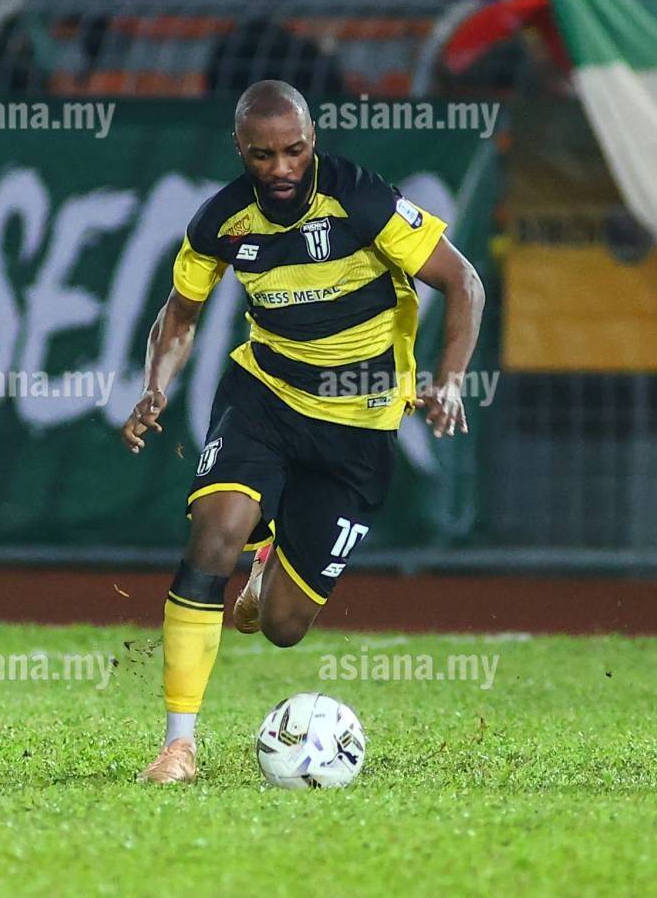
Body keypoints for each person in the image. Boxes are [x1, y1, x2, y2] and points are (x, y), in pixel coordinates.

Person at [120, 81, 485, 785]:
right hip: (266, 395)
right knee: (213, 534)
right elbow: (179, 313)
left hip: (359, 425)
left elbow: (463, 280)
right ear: (240, 150)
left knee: (283, 625)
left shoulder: (361, 200)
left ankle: (269, 558)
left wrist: (450, 380)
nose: (282, 168)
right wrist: (154, 383)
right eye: (263, 155)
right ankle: (178, 744)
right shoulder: (221, 221)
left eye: (294, 150)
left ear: (312, 140)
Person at [206, 0, 346, 100]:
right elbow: (330, 89)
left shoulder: (229, 45)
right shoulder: (301, 49)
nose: (270, 2)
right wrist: (327, 49)